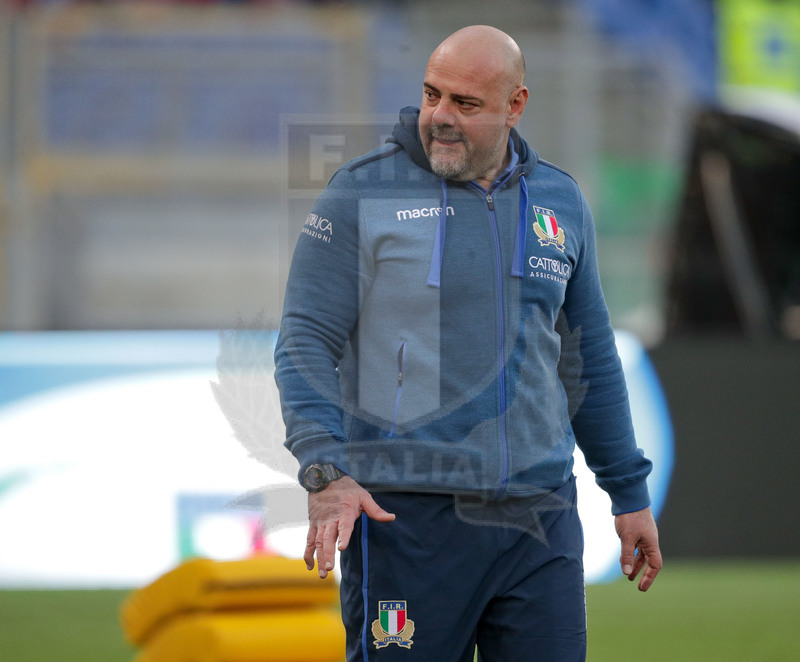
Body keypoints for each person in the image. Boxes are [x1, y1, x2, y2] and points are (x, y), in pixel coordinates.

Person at [274, 24, 662, 662]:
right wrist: (325, 471)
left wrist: (628, 492)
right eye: (432, 95)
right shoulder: (361, 192)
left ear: (515, 106)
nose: (439, 118)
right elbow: (304, 342)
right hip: (405, 517)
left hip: (540, 519)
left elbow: (586, 357)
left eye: (465, 104)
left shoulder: (561, 201)